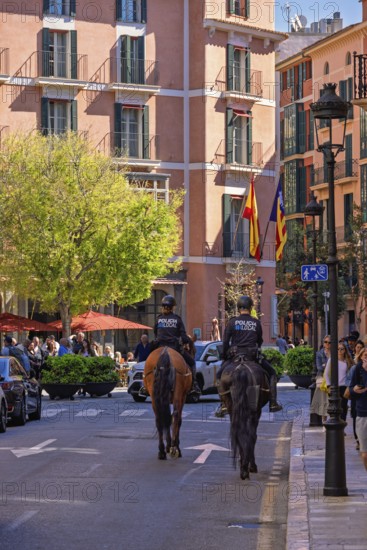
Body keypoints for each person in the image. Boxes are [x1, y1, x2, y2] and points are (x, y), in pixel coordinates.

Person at [215, 295, 282, 416]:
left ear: (238, 308)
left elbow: (225, 342)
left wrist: (224, 355)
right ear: (250, 308)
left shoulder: (232, 322)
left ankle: (224, 404)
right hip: (252, 356)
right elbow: (259, 341)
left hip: (235, 356)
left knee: (219, 375)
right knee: (272, 373)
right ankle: (273, 403)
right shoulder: (256, 322)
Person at [140, 295, 200, 396]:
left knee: (148, 363)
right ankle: (194, 384)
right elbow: (184, 337)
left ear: (163, 307)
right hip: (174, 348)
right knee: (192, 363)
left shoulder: (158, 319)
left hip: (159, 347)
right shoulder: (177, 319)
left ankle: (144, 385)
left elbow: (155, 333)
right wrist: (186, 341)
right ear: (173, 307)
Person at [324, 340, 353, 421]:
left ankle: (342, 426)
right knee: (334, 409)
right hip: (334, 387)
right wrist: (329, 386)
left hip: (344, 387)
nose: (340, 351)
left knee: (344, 407)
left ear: (345, 350)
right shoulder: (332, 360)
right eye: (338, 349)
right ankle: (334, 425)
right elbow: (326, 374)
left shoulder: (348, 361)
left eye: (342, 349)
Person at [349, 347, 367, 471]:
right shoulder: (357, 369)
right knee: (365, 453)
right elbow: (350, 389)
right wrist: (354, 390)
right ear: (361, 357)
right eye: (365, 355)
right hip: (362, 413)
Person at [310, 335, 331, 422]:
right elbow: (319, 367)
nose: (327, 344)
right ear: (323, 343)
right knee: (323, 401)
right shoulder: (319, 353)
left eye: (329, 342)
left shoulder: (335, 353)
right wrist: (329, 364)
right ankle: (324, 422)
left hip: (333, 378)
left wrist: (325, 364)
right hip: (322, 379)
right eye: (326, 342)